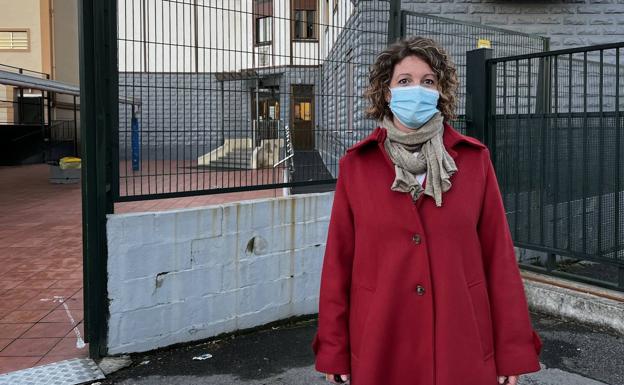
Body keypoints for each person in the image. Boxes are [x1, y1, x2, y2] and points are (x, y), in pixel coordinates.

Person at [311, 36, 543, 385]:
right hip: (380, 342)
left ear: (440, 92)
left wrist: (512, 351)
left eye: (428, 81)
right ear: (386, 93)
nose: (417, 90)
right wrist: (333, 349)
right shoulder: (357, 166)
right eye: (404, 81)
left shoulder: (474, 160)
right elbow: (338, 265)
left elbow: (499, 260)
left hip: (460, 342)